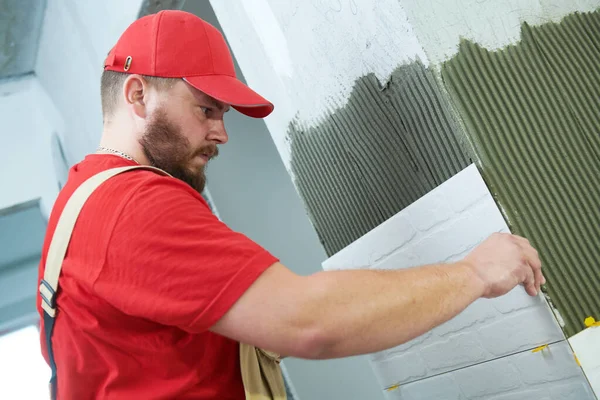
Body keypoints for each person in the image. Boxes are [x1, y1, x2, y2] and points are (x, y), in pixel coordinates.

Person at [36, 9, 544, 400]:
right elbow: (310, 322)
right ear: (138, 94)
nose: (221, 133)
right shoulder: (133, 205)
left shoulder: (84, 199)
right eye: (207, 110)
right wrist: (476, 273)